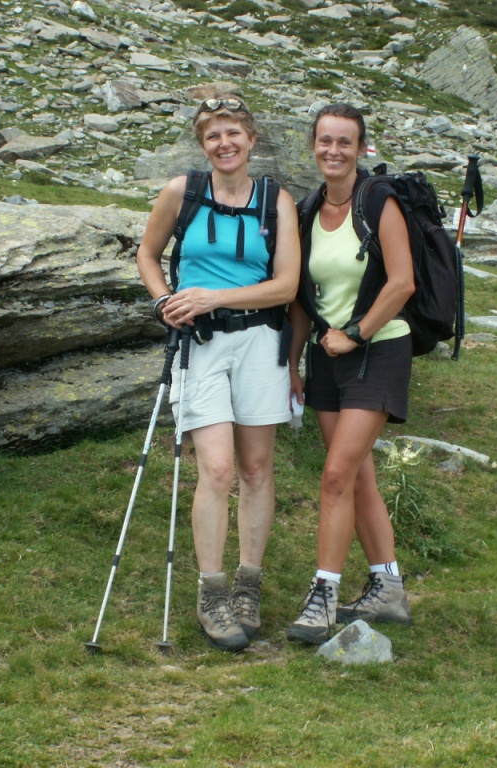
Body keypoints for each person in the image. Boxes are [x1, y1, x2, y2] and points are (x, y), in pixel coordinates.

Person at [136, 94, 300, 651]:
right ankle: (212, 592)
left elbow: (286, 286)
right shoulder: (181, 192)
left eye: (233, 133)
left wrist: (214, 297)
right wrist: (165, 301)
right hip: (199, 343)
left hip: (260, 340)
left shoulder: (276, 201)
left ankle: (248, 585)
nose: (224, 144)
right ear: (203, 145)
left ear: (251, 140)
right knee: (218, 468)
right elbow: (148, 255)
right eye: (213, 136)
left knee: (256, 468)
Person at [286, 103, 415, 644]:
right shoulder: (307, 210)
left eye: (345, 142)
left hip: (378, 349)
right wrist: (294, 361)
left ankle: (324, 596)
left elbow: (402, 282)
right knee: (358, 476)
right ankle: (388, 589)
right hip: (325, 358)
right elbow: (302, 297)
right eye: (325, 141)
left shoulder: (379, 200)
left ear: (362, 149)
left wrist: (357, 333)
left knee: (337, 476)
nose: (333, 151)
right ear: (313, 146)